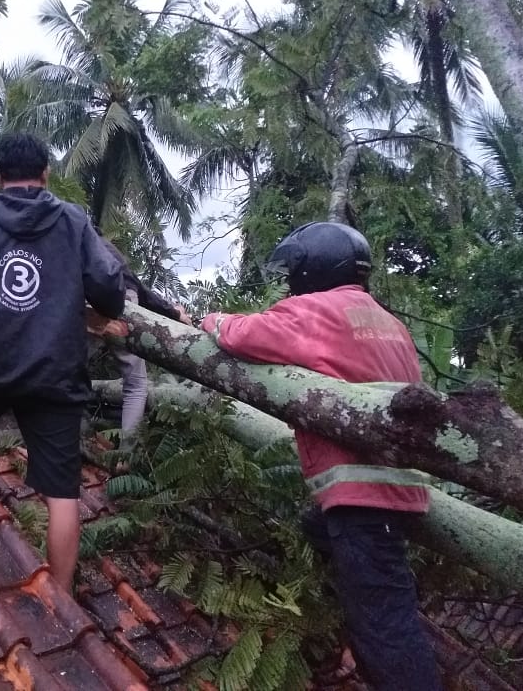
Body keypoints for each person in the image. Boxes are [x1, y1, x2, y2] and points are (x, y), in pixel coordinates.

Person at [199, 221, 440, 691]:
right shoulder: (389, 323)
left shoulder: (314, 311)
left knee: (387, 628)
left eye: (294, 270)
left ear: (313, 269)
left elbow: (243, 335)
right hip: (401, 488)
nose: (290, 281)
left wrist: (210, 319)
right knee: (326, 539)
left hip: (362, 495)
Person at [0, 132, 125, 590]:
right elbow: (110, 287)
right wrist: (100, 312)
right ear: (46, 174)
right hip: (56, 368)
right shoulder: (72, 220)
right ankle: (63, 602)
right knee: (62, 494)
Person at [96, 236, 192, 448]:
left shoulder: (62, 236)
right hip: (118, 301)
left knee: (67, 372)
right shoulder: (97, 242)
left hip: (78, 305)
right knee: (135, 383)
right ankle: (126, 456)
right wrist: (175, 313)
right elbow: (136, 287)